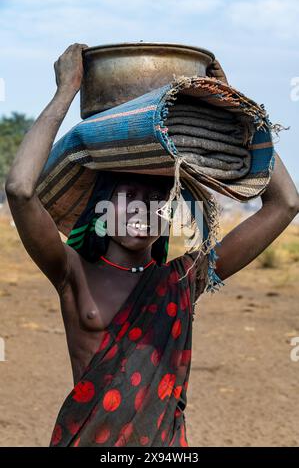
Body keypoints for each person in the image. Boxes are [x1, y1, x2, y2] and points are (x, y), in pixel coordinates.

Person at [4, 44, 299, 447]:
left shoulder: (183, 280)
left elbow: (286, 203)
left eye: (155, 199)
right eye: (127, 195)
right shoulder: (72, 273)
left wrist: (235, 109)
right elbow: (21, 191)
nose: (141, 209)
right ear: (101, 208)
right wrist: (65, 93)